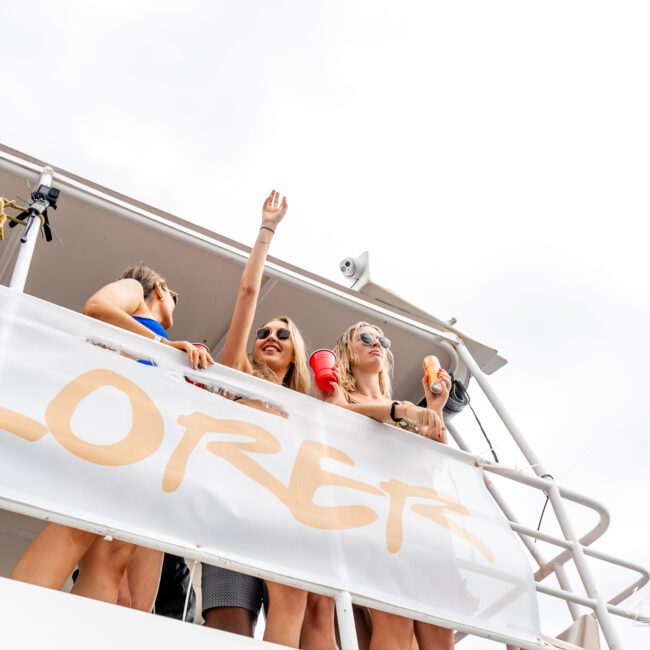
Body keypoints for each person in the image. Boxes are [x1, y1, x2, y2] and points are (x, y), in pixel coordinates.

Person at [11, 264, 213, 612]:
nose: (175, 304)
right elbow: (97, 308)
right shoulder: (135, 289)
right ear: (161, 289)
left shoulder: (164, 349)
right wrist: (163, 343)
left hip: (148, 449)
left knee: (119, 564)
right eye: (175, 296)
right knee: (76, 531)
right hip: (115, 429)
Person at [201, 190, 328, 649]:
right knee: (229, 630)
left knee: (291, 620)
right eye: (264, 333)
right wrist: (266, 232)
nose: (270, 337)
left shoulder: (305, 410)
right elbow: (248, 294)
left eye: (282, 334)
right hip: (232, 514)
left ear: (295, 349)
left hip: (286, 518)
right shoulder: (237, 374)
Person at [325, 321, 454, 650]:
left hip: (415, 520)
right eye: (365, 338)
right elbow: (337, 411)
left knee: (440, 629)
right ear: (347, 352)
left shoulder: (407, 414)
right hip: (373, 516)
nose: (376, 343)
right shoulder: (343, 392)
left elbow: (426, 466)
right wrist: (402, 410)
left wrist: (433, 409)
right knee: (394, 621)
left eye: (382, 339)